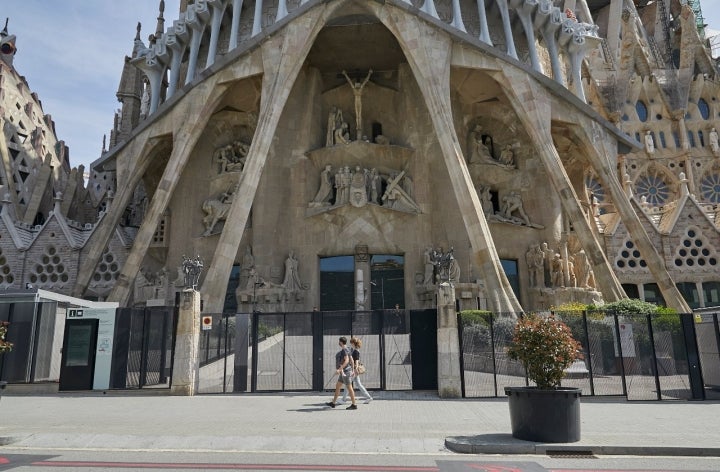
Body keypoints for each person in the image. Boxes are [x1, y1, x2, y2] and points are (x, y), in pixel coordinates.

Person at [326, 336, 357, 410]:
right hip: (345, 372)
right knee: (338, 386)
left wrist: (339, 369)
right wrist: (352, 370)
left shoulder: (344, 350)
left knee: (350, 388)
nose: (338, 343)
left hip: (345, 373)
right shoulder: (349, 349)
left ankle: (354, 405)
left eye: (339, 341)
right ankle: (333, 403)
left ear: (341, 342)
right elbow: (352, 360)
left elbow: (346, 361)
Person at [340, 337, 373, 404]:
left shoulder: (356, 351)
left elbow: (357, 361)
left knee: (348, 384)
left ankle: (343, 400)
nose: (351, 344)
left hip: (354, 370)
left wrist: (355, 369)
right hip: (355, 370)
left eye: (351, 342)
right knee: (358, 384)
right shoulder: (356, 350)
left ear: (354, 343)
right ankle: (369, 397)